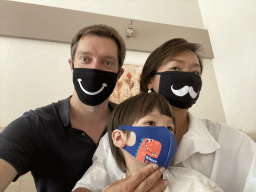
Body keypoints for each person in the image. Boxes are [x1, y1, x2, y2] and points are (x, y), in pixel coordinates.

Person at [73, 38, 256, 192]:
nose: (188, 78)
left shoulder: (233, 141)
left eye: (195, 73)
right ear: (149, 80)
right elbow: (87, 186)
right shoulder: (122, 138)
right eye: (176, 69)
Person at [74, 92, 224, 192]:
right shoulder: (111, 189)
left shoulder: (195, 185)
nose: (165, 133)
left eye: (170, 128)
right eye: (151, 123)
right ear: (119, 138)